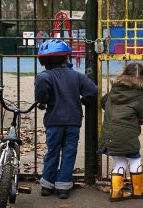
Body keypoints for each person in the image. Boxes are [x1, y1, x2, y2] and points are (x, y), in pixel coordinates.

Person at [35, 39, 97, 199]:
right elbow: (92, 91)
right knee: (69, 152)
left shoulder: (45, 76)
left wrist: (43, 102)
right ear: (66, 58)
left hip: (54, 122)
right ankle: (63, 186)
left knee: (52, 151)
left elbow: (41, 94)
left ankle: (47, 184)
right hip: (73, 121)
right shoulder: (76, 76)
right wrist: (83, 101)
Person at [98, 63, 143, 202]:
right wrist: (141, 119)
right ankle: (138, 190)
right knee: (135, 160)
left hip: (110, 135)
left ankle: (116, 192)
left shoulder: (114, 91)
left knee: (120, 162)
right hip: (128, 136)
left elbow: (103, 102)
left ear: (124, 75)